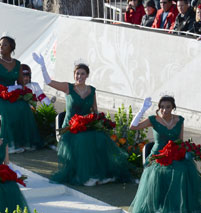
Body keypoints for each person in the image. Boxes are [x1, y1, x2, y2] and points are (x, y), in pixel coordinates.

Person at [33, 57, 130, 186]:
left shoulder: (92, 90)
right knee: (82, 140)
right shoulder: (68, 87)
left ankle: (98, 173)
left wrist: (100, 124)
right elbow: (49, 81)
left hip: (87, 125)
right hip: (69, 128)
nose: (79, 76)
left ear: (87, 75)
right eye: (77, 73)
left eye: (82, 73)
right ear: (74, 75)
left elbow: (95, 111)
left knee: (101, 138)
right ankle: (84, 176)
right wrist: (43, 66)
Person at [127, 95, 201, 213]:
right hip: (157, 156)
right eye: (162, 107)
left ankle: (177, 208)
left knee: (182, 169)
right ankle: (161, 207)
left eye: (168, 107)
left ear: (173, 108)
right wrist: (142, 110)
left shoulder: (179, 120)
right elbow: (133, 127)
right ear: (159, 108)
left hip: (174, 154)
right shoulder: (153, 120)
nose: (165, 110)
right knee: (161, 171)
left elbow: (180, 141)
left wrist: (187, 152)